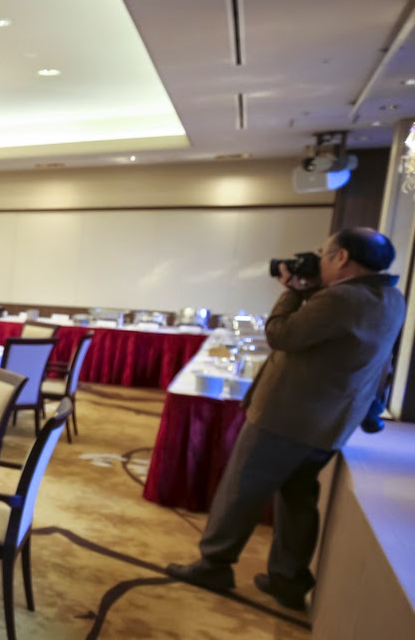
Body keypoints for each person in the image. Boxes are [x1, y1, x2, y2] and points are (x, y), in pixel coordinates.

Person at [166, 227, 405, 610]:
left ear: (342, 257)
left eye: (325, 253)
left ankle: (214, 565)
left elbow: (281, 334)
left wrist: (292, 290)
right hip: (328, 423)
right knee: (298, 498)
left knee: (241, 491)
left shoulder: (341, 298)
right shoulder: (391, 298)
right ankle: (289, 578)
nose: (320, 260)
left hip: (286, 418)